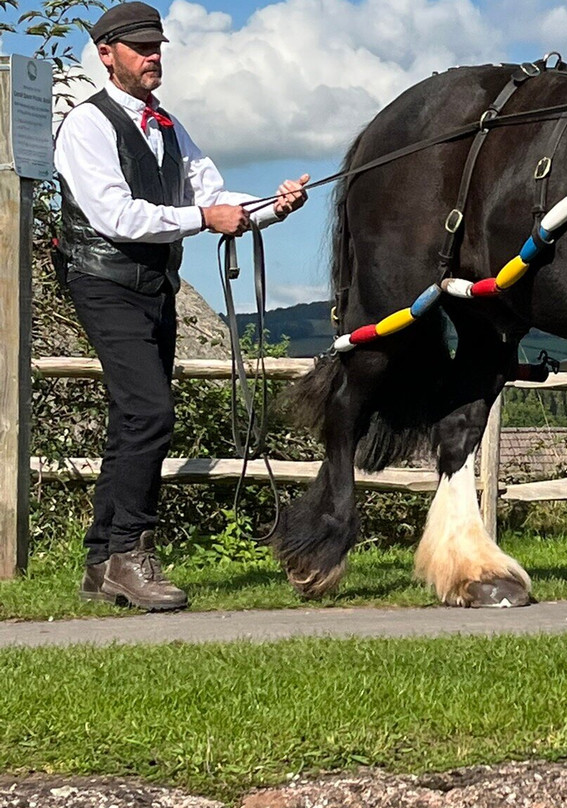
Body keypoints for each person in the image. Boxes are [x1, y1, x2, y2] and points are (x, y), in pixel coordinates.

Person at [53, 1, 309, 611]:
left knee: (131, 419)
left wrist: (273, 207)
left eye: (158, 47)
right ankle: (129, 551)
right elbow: (116, 214)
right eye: (141, 48)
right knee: (150, 413)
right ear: (106, 54)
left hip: (153, 284)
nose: (153, 57)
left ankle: (100, 562)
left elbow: (213, 193)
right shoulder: (87, 126)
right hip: (102, 279)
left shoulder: (167, 125)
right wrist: (202, 218)